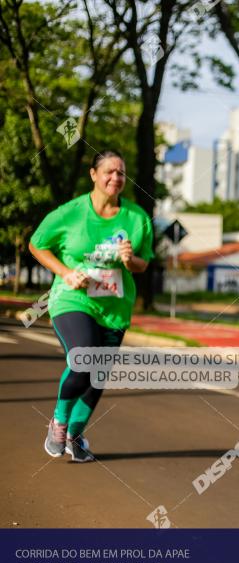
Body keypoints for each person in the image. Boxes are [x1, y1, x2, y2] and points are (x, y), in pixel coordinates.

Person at [29, 150, 154, 462]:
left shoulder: (137, 218)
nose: (116, 178)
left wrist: (129, 259)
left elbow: (143, 264)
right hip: (73, 299)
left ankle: (75, 433)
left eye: (121, 173)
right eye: (109, 172)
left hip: (114, 308)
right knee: (84, 358)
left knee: (98, 375)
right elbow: (36, 243)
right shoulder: (70, 213)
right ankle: (58, 423)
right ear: (94, 175)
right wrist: (66, 273)